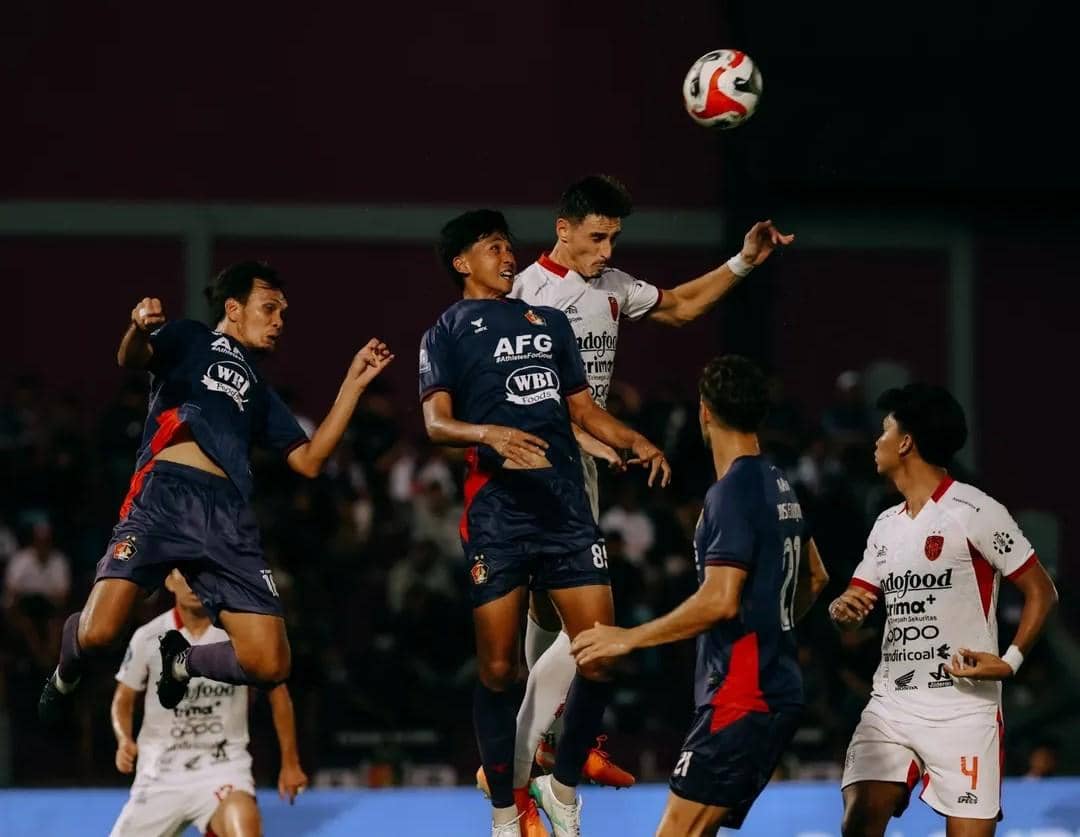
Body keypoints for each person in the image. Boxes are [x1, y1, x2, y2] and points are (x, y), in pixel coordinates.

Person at [39, 261, 394, 723]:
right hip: (165, 498)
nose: (279, 321)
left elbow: (308, 460)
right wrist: (137, 327)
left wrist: (352, 385)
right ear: (234, 307)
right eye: (269, 308)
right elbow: (132, 357)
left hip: (227, 516)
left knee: (271, 663)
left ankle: (181, 662)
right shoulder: (191, 338)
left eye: (283, 313)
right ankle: (70, 657)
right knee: (99, 634)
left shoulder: (259, 390)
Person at [420, 209, 671, 837]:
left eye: (509, 247)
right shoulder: (446, 331)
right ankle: (505, 815)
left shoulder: (548, 322)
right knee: (498, 671)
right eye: (493, 248)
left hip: (565, 511)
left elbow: (583, 410)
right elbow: (436, 424)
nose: (508, 257)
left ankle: (560, 791)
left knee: (602, 655)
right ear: (461, 262)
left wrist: (635, 439)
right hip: (497, 517)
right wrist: (490, 434)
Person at [572, 355, 829, 837]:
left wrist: (627, 638)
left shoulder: (731, 492)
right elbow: (815, 576)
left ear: (704, 412)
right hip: (776, 686)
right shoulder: (777, 482)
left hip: (740, 694)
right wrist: (770, 633)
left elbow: (719, 601)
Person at [829, 383, 1058, 836]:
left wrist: (1010, 662)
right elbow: (855, 600)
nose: (876, 441)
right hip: (891, 705)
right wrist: (842, 609)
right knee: (860, 818)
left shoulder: (975, 510)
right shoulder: (885, 525)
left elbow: (1041, 591)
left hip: (964, 710)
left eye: (884, 430)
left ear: (906, 442)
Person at [109, 570, 307, 837]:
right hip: (159, 775)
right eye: (185, 573)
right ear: (169, 581)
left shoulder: (238, 636)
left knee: (242, 820)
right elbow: (123, 697)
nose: (193, 583)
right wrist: (124, 739)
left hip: (222, 769)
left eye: (201, 574)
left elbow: (277, 691)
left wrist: (290, 762)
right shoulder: (148, 636)